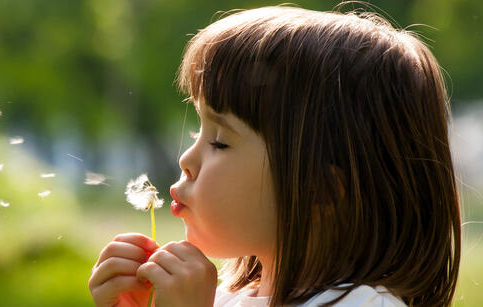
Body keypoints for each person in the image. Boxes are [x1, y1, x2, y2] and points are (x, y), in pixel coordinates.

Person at [89, 4, 461, 307]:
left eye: (220, 141)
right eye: (197, 131)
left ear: (321, 190)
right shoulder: (221, 300)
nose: (187, 159)